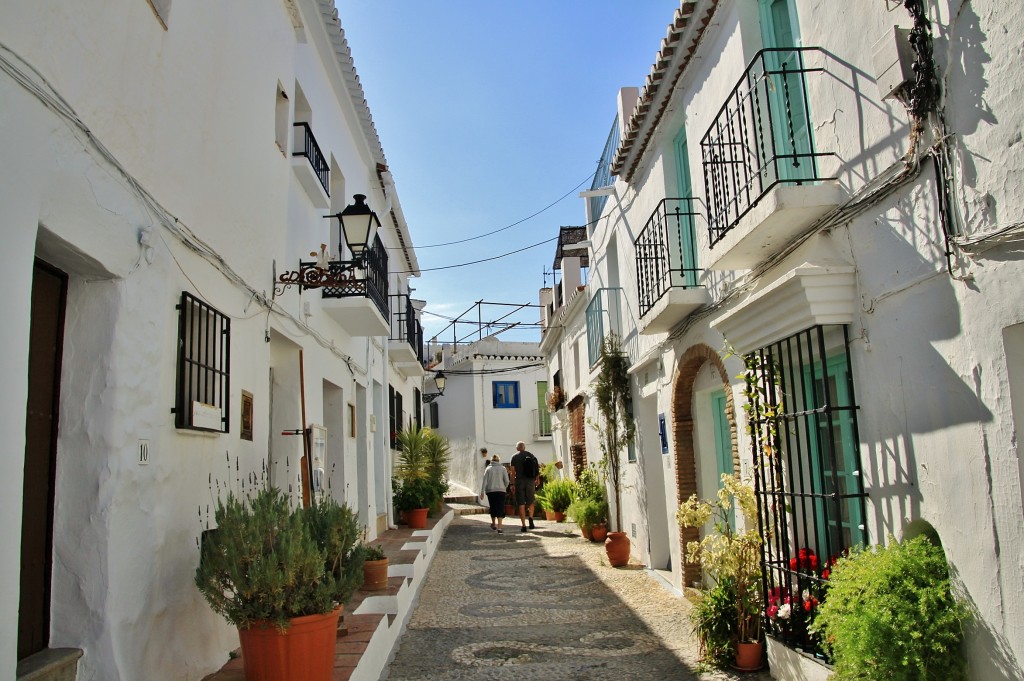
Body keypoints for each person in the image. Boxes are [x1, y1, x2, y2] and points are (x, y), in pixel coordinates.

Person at [510, 441, 539, 532]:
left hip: (519, 481)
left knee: (521, 503)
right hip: (530, 481)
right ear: (524, 447)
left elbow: (512, 472)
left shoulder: (514, 457)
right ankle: (530, 518)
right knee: (531, 501)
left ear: (517, 448)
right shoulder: (531, 455)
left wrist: (512, 484)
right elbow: (536, 468)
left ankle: (523, 525)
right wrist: (537, 479)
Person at [479, 454, 510, 533]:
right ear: (499, 460)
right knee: (500, 507)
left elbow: (485, 481)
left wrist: (482, 492)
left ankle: (493, 523)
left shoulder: (488, 468)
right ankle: (500, 527)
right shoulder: (503, 468)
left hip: (491, 491)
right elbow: (507, 481)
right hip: (501, 491)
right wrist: (504, 487)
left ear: (491, 460)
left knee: (493, 506)